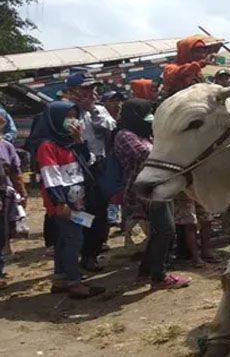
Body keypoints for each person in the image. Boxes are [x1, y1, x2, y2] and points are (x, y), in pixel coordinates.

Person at [113, 98, 190, 289]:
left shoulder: (144, 134)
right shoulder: (124, 135)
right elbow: (144, 155)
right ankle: (159, 276)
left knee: (161, 232)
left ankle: (147, 271)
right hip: (144, 191)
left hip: (161, 187)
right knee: (165, 231)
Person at [35, 101, 105, 298]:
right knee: (74, 239)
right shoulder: (47, 146)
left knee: (63, 240)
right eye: (67, 116)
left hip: (77, 199)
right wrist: (60, 202)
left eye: (74, 115)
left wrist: (79, 140)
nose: (72, 120)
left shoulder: (68, 142)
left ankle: (60, 278)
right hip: (64, 202)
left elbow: (87, 161)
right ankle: (74, 283)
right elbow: (51, 176)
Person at [64, 69, 116, 271]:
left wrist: (93, 111)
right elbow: (67, 136)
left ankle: (91, 253)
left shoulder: (99, 110)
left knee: (100, 211)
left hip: (99, 166)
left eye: (92, 88)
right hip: (76, 168)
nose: (91, 93)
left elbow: (110, 128)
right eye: (85, 89)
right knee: (78, 211)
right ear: (72, 91)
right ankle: (76, 253)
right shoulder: (66, 111)